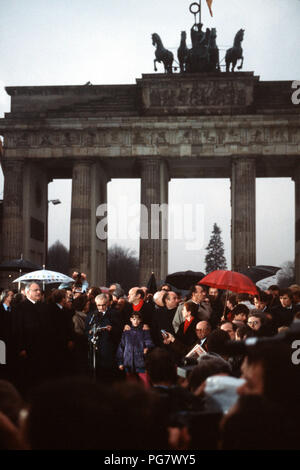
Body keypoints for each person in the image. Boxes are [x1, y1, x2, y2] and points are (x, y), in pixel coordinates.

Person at [116, 312, 154, 387]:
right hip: (128, 363)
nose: (136, 321)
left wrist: (148, 348)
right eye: (134, 319)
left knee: (145, 384)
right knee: (131, 385)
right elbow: (121, 347)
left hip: (141, 362)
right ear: (130, 319)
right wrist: (120, 362)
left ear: (140, 320)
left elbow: (149, 342)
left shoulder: (144, 330)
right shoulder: (126, 332)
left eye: (138, 319)